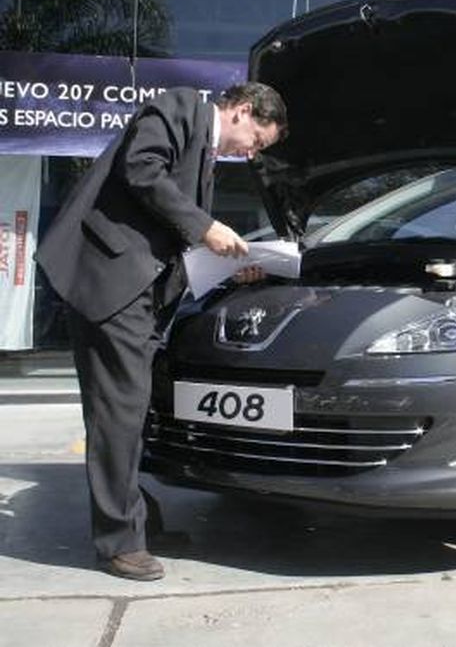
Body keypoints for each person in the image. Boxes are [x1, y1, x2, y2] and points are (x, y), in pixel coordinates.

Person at [35, 82, 288, 581]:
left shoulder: (204, 152)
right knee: (120, 414)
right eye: (258, 141)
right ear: (241, 111)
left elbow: (169, 230)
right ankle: (118, 543)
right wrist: (206, 227)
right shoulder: (179, 106)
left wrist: (230, 265)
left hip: (140, 296)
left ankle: (135, 521)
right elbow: (141, 168)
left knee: (127, 413)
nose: (252, 153)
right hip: (113, 284)